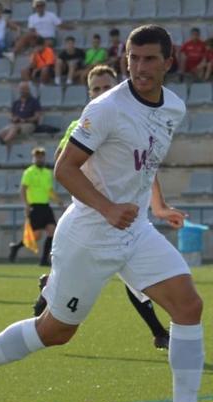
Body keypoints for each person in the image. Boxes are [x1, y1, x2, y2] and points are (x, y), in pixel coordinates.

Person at [0, 26, 210, 402]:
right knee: (57, 331)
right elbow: (64, 168)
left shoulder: (172, 107)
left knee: (188, 306)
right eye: (133, 58)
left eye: (149, 59)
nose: (140, 68)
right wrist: (107, 208)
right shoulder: (106, 108)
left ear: (169, 60)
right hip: (90, 234)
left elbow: (146, 161)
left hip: (135, 230)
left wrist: (156, 204)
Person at [33, 64, 172, 349]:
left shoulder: (133, 122)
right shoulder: (83, 125)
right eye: (95, 88)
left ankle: (160, 333)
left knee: (135, 280)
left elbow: (146, 167)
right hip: (96, 220)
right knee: (128, 282)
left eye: (106, 87)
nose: (101, 92)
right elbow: (64, 163)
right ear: (88, 93)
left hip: (128, 220)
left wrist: (159, 205)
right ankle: (161, 333)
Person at [8, 147, 58, 266]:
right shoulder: (29, 172)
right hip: (34, 207)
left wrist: (58, 201)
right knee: (36, 236)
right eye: (37, 156)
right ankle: (16, 247)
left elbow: (49, 190)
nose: (40, 159)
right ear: (33, 158)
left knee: (52, 231)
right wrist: (26, 205)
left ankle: (44, 260)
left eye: (41, 156)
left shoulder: (47, 173)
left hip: (46, 206)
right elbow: (23, 189)